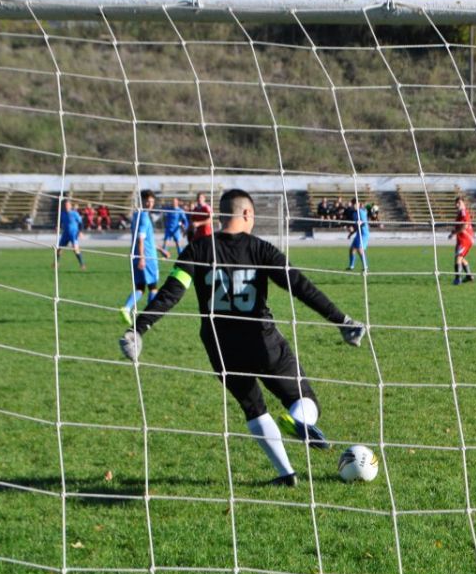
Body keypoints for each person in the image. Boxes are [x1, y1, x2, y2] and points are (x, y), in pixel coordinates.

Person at [118, 189, 366, 487]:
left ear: (221, 215)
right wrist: (341, 320)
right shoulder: (261, 249)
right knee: (303, 398)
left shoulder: (197, 250)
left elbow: (171, 293)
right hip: (263, 341)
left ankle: (287, 474)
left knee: (253, 407)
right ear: (247, 214)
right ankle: (303, 421)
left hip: (220, 347)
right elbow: (300, 286)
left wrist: (138, 329)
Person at [120, 190, 164, 325]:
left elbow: (146, 240)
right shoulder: (144, 217)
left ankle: (126, 308)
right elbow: (141, 240)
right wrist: (143, 258)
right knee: (153, 287)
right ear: (142, 201)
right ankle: (149, 317)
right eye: (147, 201)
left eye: (152, 201)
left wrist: (161, 249)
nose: (150, 204)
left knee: (140, 287)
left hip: (137, 255)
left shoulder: (136, 215)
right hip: (147, 257)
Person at [448, 196, 474, 285]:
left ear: (463, 203)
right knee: (461, 258)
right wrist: (454, 232)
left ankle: (457, 279)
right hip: (462, 238)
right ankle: (469, 276)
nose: (457, 205)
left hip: (465, 238)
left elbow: (465, 226)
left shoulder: (463, 212)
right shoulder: (460, 213)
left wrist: (454, 233)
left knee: (458, 257)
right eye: (456, 203)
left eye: (459, 203)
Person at [55, 198, 86, 270]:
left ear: (70, 206)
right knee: (59, 249)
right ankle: (56, 263)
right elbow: (60, 222)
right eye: (65, 205)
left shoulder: (75, 213)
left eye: (68, 205)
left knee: (75, 249)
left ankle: (82, 264)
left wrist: (80, 232)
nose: (66, 206)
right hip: (65, 234)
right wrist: (58, 227)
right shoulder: (62, 213)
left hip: (73, 234)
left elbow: (81, 223)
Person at [346, 198, 369, 271]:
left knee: (360, 250)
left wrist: (359, 225)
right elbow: (356, 226)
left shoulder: (361, 212)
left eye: (356, 204)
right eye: (353, 204)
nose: (354, 206)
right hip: (358, 234)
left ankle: (365, 267)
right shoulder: (354, 213)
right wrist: (351, 233)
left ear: (358, 204)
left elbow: (364, 223)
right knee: (352, 249)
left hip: (364, 234)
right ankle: (351, 266)